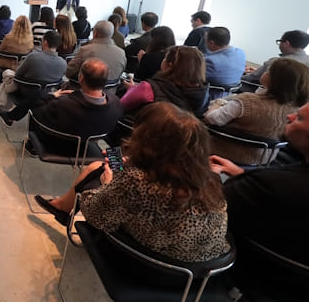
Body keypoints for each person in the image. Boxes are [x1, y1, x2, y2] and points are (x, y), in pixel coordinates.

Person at [37, 102, 229, 263]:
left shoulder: (135, 181)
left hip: (150, 265)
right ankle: (62, 207)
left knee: (98, 169)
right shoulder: (210, 178)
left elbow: (94, 214)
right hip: (202, 269)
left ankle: (62, 208)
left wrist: (108, 183)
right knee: (109, 164)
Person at [209, 102, 309, 296]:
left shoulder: (268, 186)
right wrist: (242, 174)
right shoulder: (272, 183)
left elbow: (209, 207)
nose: (289, 117)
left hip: (249, 278)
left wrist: (211, 175)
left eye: (299, 118)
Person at [205, 58, 309, 165]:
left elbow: (211, 119)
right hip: (264, 158)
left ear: (275, 79)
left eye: (268, 71)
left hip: (224, 151)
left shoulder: (247, 102)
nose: (265, 72)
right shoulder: (298, 108)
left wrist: (218, 103)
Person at [24, 58, 123, 155]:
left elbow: (37, 113)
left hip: (54, 147)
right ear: (106, 80)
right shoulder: (116, 104)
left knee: (36, 97)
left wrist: (52, 96)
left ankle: (32, 147)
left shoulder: (63, 105)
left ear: (81, 78)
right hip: (88, 148)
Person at [0, 31, 67, 125]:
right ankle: (9, 115)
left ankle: (2, 108)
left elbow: (18, 74)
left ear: (45, 42)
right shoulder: (63, 63)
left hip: (25, 92)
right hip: (49, 94)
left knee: (7, 76)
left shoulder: (33, 57)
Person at [121, 45, 209, 118]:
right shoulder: (203, 94)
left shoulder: (149, 88)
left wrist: (131, 90)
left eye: (165, 58)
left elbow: (122, 105)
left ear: (169, 65)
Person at [242, 30, 309, 86]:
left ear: (286, 43)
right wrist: (259, 71)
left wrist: (241, 74)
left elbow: (250, 79)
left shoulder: (277, 62)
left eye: (280, 41)